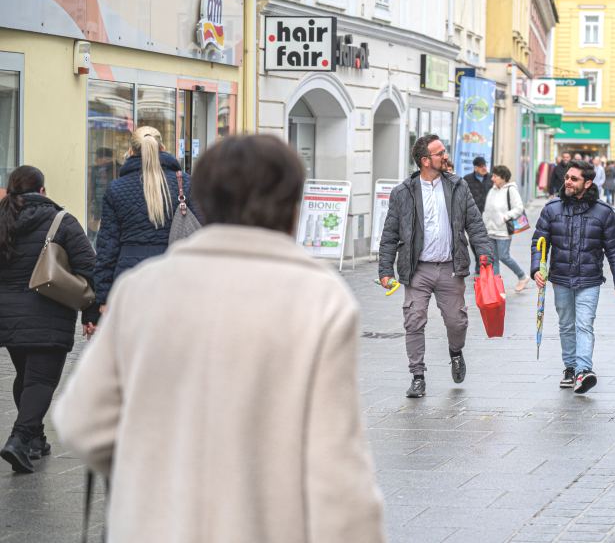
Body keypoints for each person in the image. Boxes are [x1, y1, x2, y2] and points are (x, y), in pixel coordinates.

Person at [53, 135, 385, 541]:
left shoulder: (141, 289)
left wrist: (151, 469)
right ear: (295, 210)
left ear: (202, 204)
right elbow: (336, 469)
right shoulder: (318, 298)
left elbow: (82, 423)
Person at [378, 134, 494, 399]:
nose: (445, 156)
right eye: (439, 152)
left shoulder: (457, 186)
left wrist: (484, 254)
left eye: (444, 151)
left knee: (457, 322)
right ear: (424, 161)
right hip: (417, 269)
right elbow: (390, 233)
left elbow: (474, 224)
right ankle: (417, 376)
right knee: (414, 320)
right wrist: (385, 270)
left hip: (450, 268)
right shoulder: (402, 193)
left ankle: (455, 352)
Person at [0, 167, 98, 473]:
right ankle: (19, 439)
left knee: (27, 377)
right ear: (42, 191)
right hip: (49, 314)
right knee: (41, 381)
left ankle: (36, 438)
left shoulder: (3, 220)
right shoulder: (61, 221)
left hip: (9, 316)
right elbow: (89, 268)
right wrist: (90, 314)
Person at [531, 160, 615, 394]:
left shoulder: (603, 212)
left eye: (573, 179)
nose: (568, 181)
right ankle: (570, 367)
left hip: (589, 279)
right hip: (561, 278)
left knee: (584, 324)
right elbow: (539, 242)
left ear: (587, 183)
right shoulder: (552, 209)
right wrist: (537, 269)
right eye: (567, 177)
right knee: (566, 324)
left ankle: (584, 370)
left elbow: (613, 249)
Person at [94, 126, 194, 315]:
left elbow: (107, 247)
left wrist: (103, 296)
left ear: (131, 152)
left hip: (129, 276)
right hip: (174, 273)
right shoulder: (185, 183)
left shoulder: (116, 189)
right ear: (163, 148)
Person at [482, 165, 530, 292]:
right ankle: (496, 286)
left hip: (503, 231)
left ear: (503, 178)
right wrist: (484, 226)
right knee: (493, 259)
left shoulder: (511, 190)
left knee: (504, 256)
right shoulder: (492, 190)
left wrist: (504, 217)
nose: (492, 178)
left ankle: (522, 276)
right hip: (490, 230)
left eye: (495, 176)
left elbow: (519, 208)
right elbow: (487, 210)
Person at [463, 156, 493, 273]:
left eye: (485, 165)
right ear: (475, 168)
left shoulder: (491, 178)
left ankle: (486, 261)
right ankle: (478, 260)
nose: (484, 168)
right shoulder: (467, 179)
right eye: (481, 166)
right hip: (474, 215)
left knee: (487, 240)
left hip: (489, 215)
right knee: (474, 240)